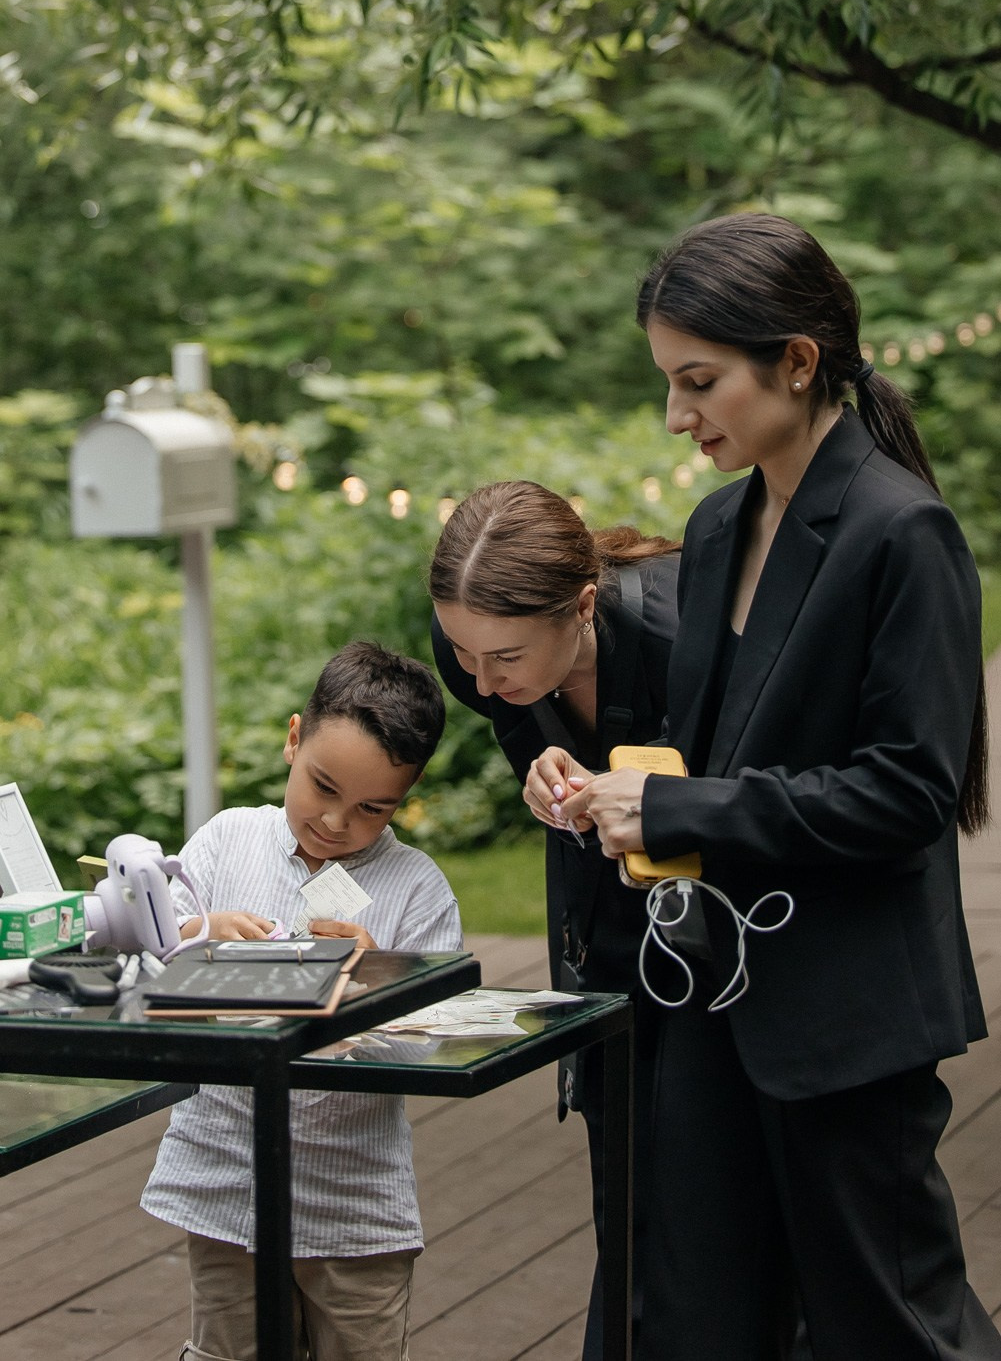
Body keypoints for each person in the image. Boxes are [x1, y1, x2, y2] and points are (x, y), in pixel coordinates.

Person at [526, 212, 1000, 1360]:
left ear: (795, 362)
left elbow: (905, 795)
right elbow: (711, 749)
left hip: (845, 1020)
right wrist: (596, 787)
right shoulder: (719, 520)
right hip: (710, 1005)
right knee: (700, 1323)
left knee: (887, 1327)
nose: (677, 416)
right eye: (668, 383)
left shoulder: (902, 533)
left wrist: (678, 808)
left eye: (698, 381)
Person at [141, 641, 462, 1361]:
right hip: (226, 1176)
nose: (337, 822)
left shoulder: (417, 889)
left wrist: (377, 973)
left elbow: (430, 1043)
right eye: (322, 787)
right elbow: (146, 960)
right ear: (293, 740)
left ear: (404, 800)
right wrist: (198, 931)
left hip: (351, 1202)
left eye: (373, 808)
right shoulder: (229, 841)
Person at [429, 478, 681, 1359]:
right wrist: (546, 780)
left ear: (582, 606)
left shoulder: (680, 635)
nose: (479, 678)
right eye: (461, 650)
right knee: (627, 1188)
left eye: (503, 655)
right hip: (601, 931)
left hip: (727, 931)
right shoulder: (472, 646)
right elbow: (522, 734)